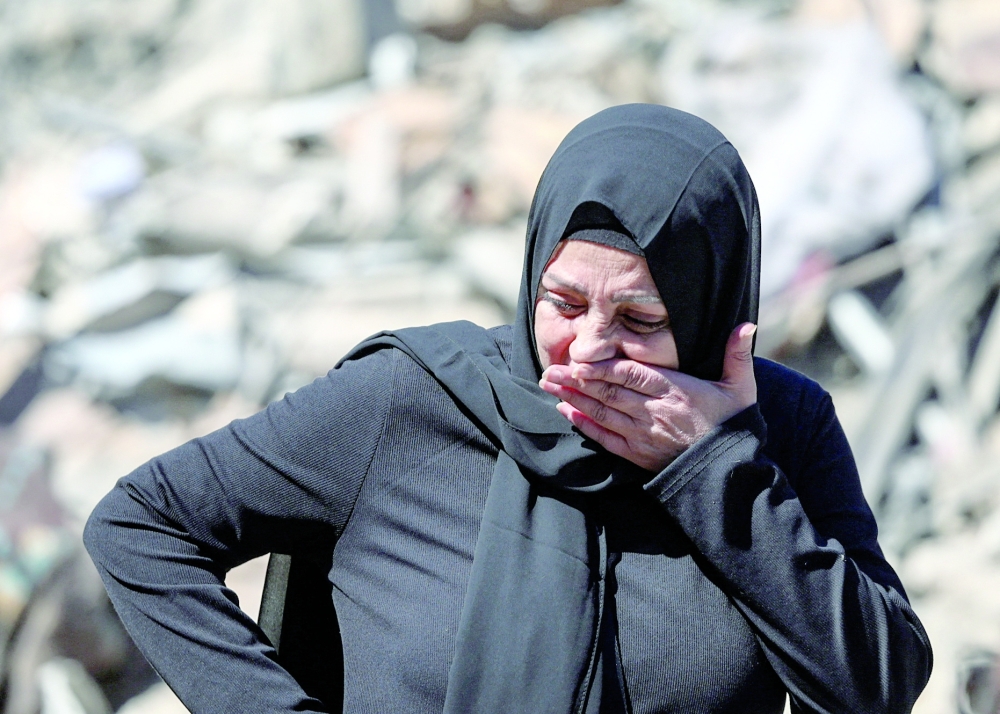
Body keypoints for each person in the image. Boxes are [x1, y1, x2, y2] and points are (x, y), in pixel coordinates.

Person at [83, 104, 932, 714]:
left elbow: (876, 686)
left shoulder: (778, 430)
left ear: (710, 317)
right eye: (563, 303)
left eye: (641, 320)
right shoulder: (416, 399)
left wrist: (713, 469)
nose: (590, 348)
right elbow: (140, 526)